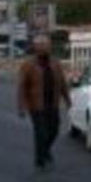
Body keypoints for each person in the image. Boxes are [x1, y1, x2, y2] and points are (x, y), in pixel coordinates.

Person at [17, 34, 71, 170]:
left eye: (46, 44)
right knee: (41, 132)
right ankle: (39, 159)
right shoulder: (28, 64)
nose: (44, 47)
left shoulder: (55, 63)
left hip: (53, 103)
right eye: (40, 45)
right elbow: (22, 87)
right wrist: (21, 107)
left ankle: (45, 150)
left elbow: (62, 83)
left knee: (54, 130)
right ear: (35, 47)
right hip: (36, 105)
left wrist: (67, 99)